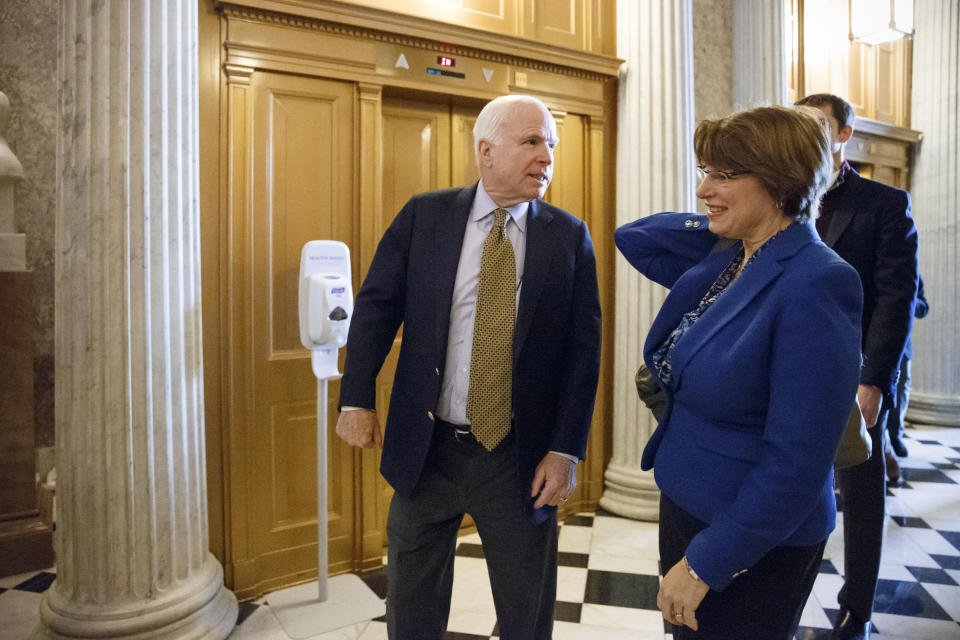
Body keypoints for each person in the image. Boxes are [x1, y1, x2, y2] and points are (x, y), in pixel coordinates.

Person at [335, 94, 601, 640]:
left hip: (518, 457)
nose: (546, 157)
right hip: (427, 448)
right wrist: (356, 398)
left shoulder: (567, 235)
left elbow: (583, 352)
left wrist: (565, 448)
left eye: (551, 144)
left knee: (526, 612)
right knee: (411, 605)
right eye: (531, 142)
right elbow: (376, 309)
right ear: (486, 150)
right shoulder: (425, 216)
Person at [616, 106, 863, 639]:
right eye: (705, 170)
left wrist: (708, 562)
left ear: (782, 183)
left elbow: (796, 463)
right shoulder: (731, 258)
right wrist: (723, 221)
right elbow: (634, 236)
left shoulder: (817, 283)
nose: (704, 188)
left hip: (752, 535)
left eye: (724, 174)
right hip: (688, 501)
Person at [796, 93, 919, 640]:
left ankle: (857, 609)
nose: (808, 133)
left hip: (856, 374)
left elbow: (895, 300)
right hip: (791, 368)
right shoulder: (778, 194)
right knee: (790, 486)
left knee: (862, 496)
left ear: (844, 134)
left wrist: (874, 380)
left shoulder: (884, 203)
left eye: (819, 125)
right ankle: (782, 590)